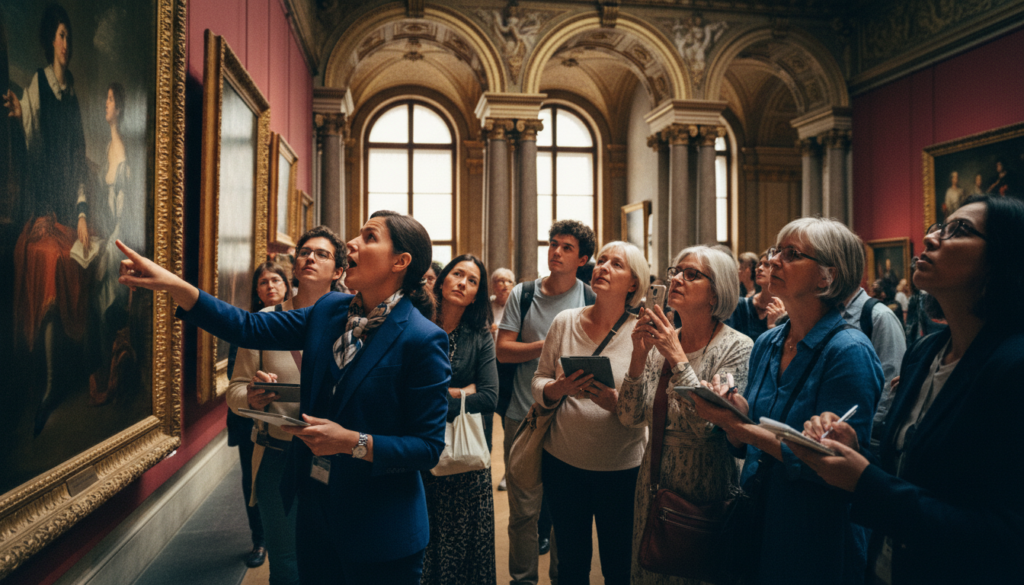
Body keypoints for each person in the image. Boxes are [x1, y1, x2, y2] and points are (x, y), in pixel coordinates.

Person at [116, 210, 451, 583]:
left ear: (400, 262)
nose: (352, 243)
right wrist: (176, 286)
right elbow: (248, 326)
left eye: (369, 237)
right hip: (315, 515)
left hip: (380, 529)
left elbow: (427, 446)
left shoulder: (422, 339)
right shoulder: (329, 311)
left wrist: (351, 442)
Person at [787, 195, 1024, 584]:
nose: (931, 239)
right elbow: (912, 475)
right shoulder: (926, 353)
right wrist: (856, 450)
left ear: (1004, 258)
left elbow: (1007, 533)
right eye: (940, 228)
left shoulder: (1013, 367)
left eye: (959, 231)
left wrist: (866, 481)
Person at [691, 217, 884, 584]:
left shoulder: (849, 351)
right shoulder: (769, 342)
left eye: (792, 254)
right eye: (777, 250)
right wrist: (735, 414)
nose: (774, 261)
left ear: (827, 276)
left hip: (812, 532)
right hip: (757, 515)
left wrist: (739, 427)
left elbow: (837, 466)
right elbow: (744, 443)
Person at [618, 245, 754, 585]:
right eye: (674, 272)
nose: (677, 279)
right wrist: (638, 355)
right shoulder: (663, 342)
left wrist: (677, 358)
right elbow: (629, 417)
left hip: (705, 489)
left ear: (716, 293)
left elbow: (707, 427)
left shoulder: (737, 347)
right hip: (652, 484)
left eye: (691, 274)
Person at [227, 226, 346, 584]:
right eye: (305, 252)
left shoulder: (350, 325)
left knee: (331, 556)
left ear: (338, 271)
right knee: (286, 563)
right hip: (277, 457)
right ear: (293, 265)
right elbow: (234, 392)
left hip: (333, 458)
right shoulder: (264, 321)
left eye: (322, 254)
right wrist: (250, 394)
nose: (310, 257)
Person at [532, 241, 648, 585]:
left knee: (617, 565)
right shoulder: (565, 322)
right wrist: (559, 388)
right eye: (601, 261)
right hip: (563, 463)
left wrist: (616, 401)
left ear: (633, 283)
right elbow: (538, 381)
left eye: (616, 264)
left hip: (621, 469)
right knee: (571, 563)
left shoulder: (644, 334)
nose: (603, 267)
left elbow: (647, 411)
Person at [6, 4, 92, 435]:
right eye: (60, 36)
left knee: (78, 260)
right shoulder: (36, 85)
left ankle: (62, 378)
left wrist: (80, 212)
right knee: (47, 262)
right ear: (49, 40)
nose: (66, 44)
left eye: (69, 37)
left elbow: (78, 159)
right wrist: (22, 119)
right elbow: (31, 150)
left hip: (67, 210)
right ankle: (46, 384)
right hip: (41, 208)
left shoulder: (72, 94)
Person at [496, 219, 597, 585]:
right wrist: (550, 343)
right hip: (522, 414)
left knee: (563, 514)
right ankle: (522, 580)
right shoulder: (524, 294)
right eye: (553, 244)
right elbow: (503, 351)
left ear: (582, 258)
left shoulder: (589, 298)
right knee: (523, 511)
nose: (555, 252)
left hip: (569, 419)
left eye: (566, 247)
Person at [422, 254, 498, 585]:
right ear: (442, 280)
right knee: (423, 541)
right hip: (420, 451)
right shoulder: (418, 325)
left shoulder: (479, 335)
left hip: (465, 460)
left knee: (466, 552)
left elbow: (490, 397)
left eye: (472, 280)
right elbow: (405, 391)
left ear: (475, 295)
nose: (462, 282)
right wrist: (461, 393)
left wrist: (440, 398)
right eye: (457, 274)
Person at [225, 262, 290, 571]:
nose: (269, 286)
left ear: (288, 285)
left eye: (275, 280)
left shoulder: (300, 322)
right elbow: (234, 378)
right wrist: (253, 391)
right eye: (263, 283)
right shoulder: (252, 325)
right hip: (250, 422)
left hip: (289, 427)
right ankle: (259, 539)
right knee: (253, 483)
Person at [88, 81, 135, 405]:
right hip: (106, 235)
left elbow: (126, 214)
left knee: (107, 311)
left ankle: (112, 379)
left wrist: (109, 247)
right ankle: (104, 370)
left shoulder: (125, 154)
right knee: (95, 306)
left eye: (108, 100)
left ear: (118, 108)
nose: (105, 105)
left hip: (120, 240)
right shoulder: (108, 148)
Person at [840, 275, 906, 452]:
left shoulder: (879, 316)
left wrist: (868, 428)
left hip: (866, 439)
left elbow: (891, 379)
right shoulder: (826, 312)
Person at [726, 251, 787, 342]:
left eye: (767, 265)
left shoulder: (786, 310)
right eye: (759, 264)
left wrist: (775, 327)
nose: (759, 268)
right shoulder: (740, 305)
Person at [489, 266, 515, 478]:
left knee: (509, 421)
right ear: (493, 285)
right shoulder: (486, 308)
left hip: (509, 370)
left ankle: (510, 472)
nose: (504, 285)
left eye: (508, 281)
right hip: (488, 367)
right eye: (500, 280)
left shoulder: (517, 307)